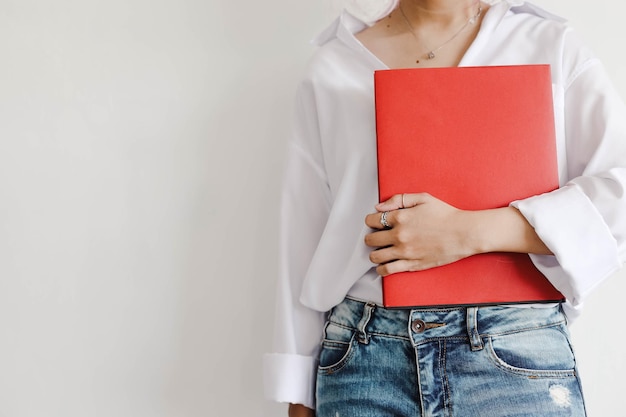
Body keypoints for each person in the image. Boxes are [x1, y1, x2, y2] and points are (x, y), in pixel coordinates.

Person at [263, 0, 626, 416]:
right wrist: (298, 391)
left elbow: (618, 197)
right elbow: (302, 237)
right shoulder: (333, 65)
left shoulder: (548, 45)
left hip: (512, 351)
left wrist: (470, 232)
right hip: (363, 358)